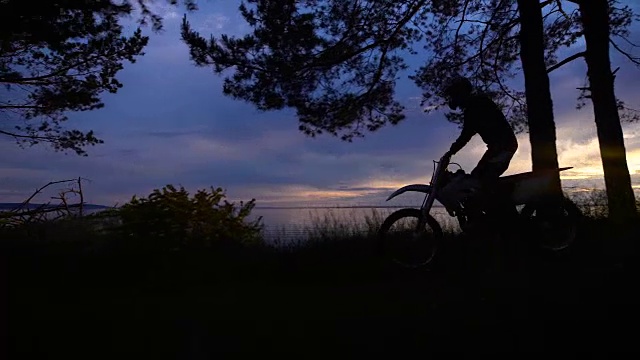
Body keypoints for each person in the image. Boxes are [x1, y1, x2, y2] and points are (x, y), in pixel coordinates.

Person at [437, 76, 518, 218]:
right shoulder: (475, 105)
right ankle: (484, 216)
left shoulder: (477, 105)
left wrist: (451, 152)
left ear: (461, 93)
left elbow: (466, 134)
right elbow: (467, 133)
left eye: (454, 95)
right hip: (497, 147)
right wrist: (451, 151)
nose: (453, 99)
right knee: (475, 180)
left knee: (484, 181)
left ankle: (508, 217)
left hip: (503, 146)